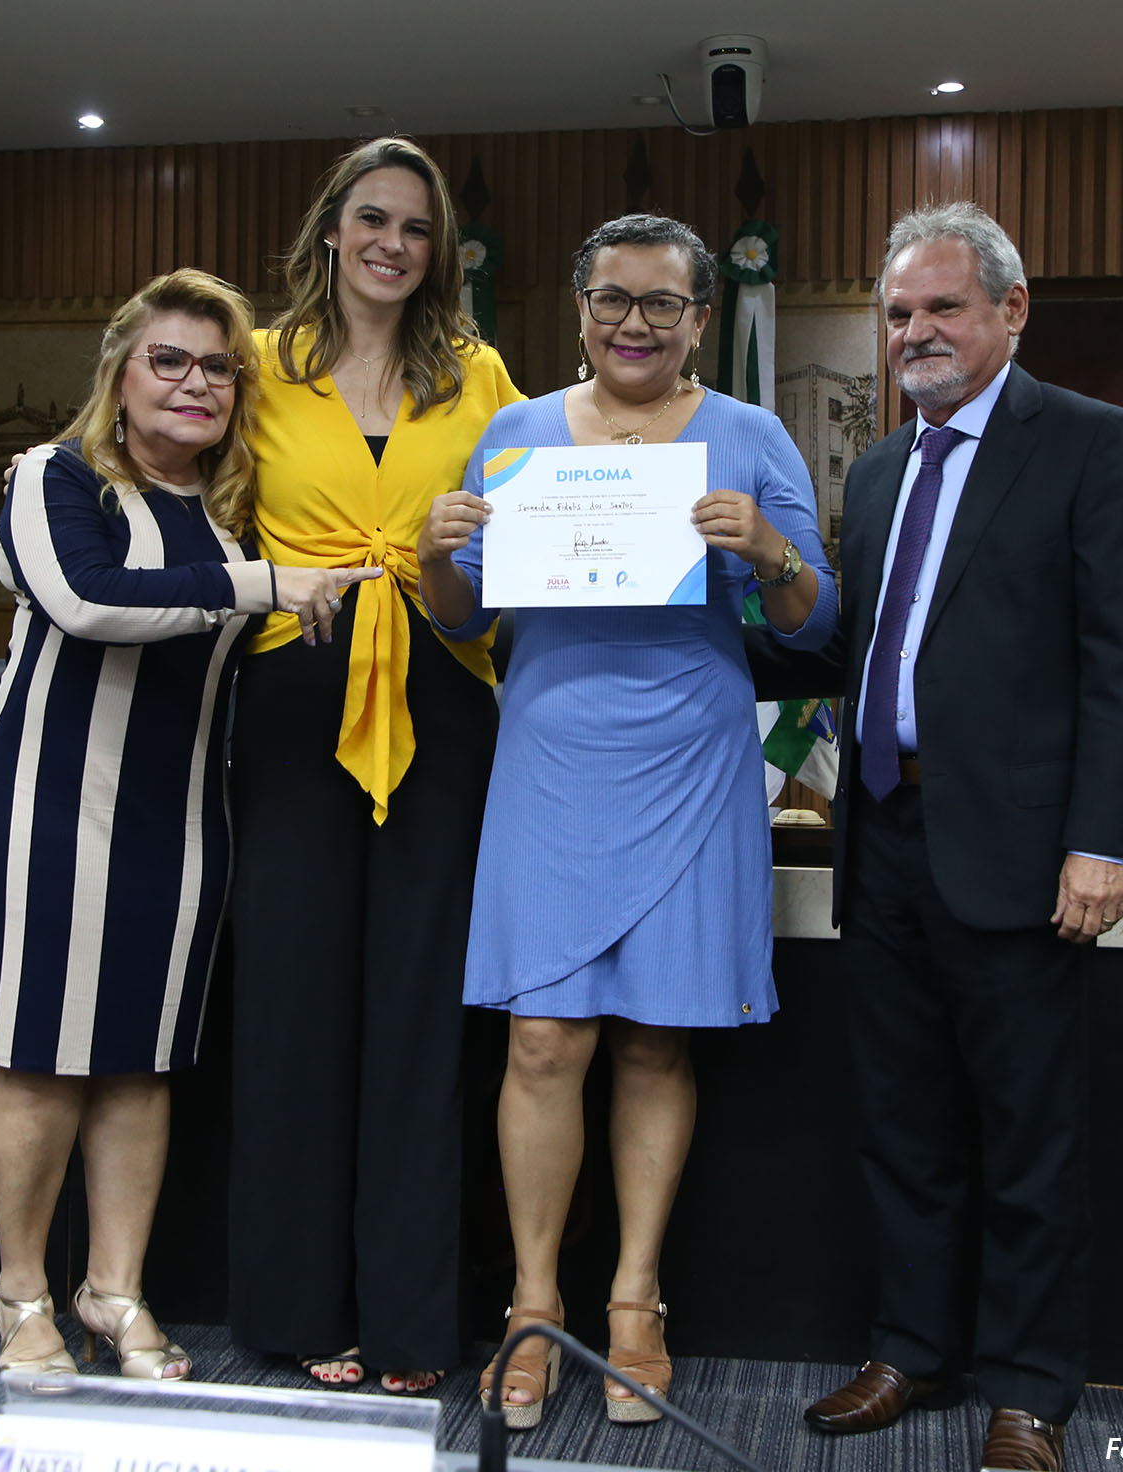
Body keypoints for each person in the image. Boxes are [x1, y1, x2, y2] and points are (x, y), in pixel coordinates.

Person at [748, 201, 1123, 1472]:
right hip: (883, 837)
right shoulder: (880, 469)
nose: (913, 331)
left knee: (1029, 1138)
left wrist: (1102, 839)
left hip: (1022, 851)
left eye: (940, 306)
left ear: (1010, 309)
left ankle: (1029, 1388)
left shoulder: (1088, 441)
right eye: (896, 313)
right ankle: (912, 1347)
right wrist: (754, 578)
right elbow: (847, 647)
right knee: (902, 1124)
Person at [421, 213, 839, 1430]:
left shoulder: (748, 434)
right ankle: (532, 1303)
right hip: (550, 751)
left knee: (657, 1039)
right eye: (612, 298)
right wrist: (436, 552)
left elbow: (813, 620)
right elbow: (461, 618)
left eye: (662, 302)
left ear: (701, 318)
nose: (634, 323)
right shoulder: (516, 432)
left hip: (691, 752)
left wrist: (768, 549)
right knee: (541, 1041)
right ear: (579, 307)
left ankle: (633, 1302)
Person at [0, 268, 376, 1380]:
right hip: (45, 809)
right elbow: (88, 600)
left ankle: (115, 1289)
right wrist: (270, 585)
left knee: (141, 1064)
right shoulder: (54, 476)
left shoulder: (232, 509)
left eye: (218, 368)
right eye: (169, 360)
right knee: (41, 1058)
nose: (196, 384)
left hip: (180, 824)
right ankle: (23, 1293)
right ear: (120, 373)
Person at [224, 137, 524, 1395]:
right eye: (372, 219)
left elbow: (511, 559)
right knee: (292, 1004)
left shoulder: (481, 374)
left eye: (415, 226)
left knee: (419, 1011)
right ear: (330, 232)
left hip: (440, 701)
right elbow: (201, 521)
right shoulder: (255, 363)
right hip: (292, 699)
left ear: (438, 248)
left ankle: (410, 1316)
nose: (391, 243)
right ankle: (299, 1303)